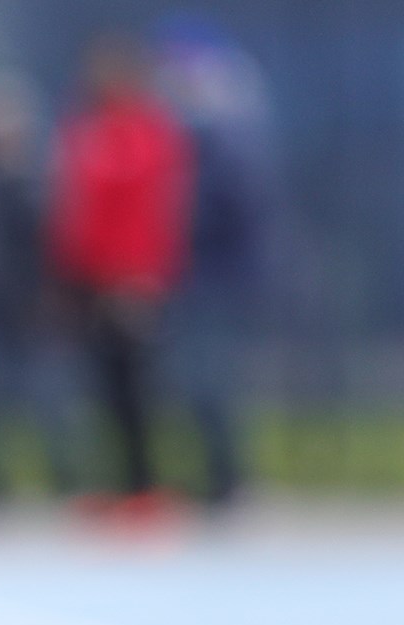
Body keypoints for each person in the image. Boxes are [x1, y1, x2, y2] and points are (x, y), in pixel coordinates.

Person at [47, 34, 193, 514]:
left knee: (135, 389)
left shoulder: (147, 133)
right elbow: (75, 209)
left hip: (129, 282)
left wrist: (142, 279)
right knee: (101, 389)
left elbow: (150, 213)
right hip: (87, 281)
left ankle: (145, 486)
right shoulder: (87, 129)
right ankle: (115, 485)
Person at [157, 16, 278, 507]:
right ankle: (214, 473)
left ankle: (228, 477)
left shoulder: (229, 134)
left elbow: (233, 211)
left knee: (211, 380)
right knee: (193, 382)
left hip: (216, 279)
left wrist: (179, 217)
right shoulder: (192, 133)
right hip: (191, 278)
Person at [0, 69, 79, 504]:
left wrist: (46, 298)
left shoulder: (28, 186)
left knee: (44, 395)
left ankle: (66, 476)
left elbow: (45, 249)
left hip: (24, 310)